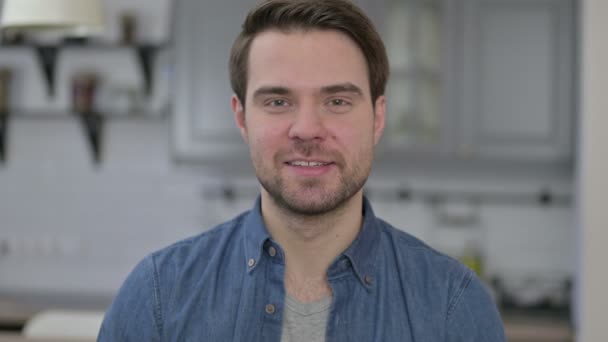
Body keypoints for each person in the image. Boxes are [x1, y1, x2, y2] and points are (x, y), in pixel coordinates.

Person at [98, 0, 506, 341]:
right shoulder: (158, 296)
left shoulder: (455, 307)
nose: (307, 129)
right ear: (241, 119)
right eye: (278, 102)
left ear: (378, 117)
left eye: (338, 101)